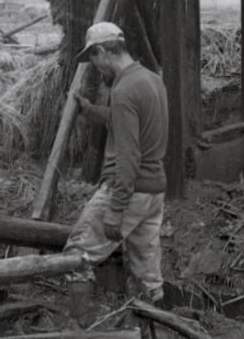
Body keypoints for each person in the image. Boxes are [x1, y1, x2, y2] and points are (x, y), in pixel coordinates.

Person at [65, 21, 169, 319]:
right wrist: (90, 111)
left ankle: (81, 328)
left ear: (102, 51)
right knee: (147, 270)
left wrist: (116, 208)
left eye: (93, 59)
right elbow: (131, 123)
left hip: (128, 190)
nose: (96, 68)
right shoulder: (151, 80)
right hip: (153, 192)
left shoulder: (123, 89)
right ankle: (154, 327)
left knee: (77, 256)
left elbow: (128, 155)